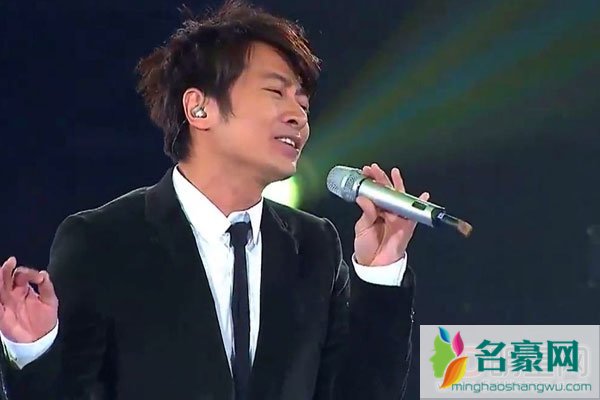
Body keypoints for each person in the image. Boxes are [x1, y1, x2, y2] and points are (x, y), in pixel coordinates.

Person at [0, 1, 430, 399]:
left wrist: (379, 272)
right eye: (276, 92)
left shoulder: (314, 246)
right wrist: (32, 349)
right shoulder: (102, 241)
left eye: (303, 103)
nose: (299, 116)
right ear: (199, 109)